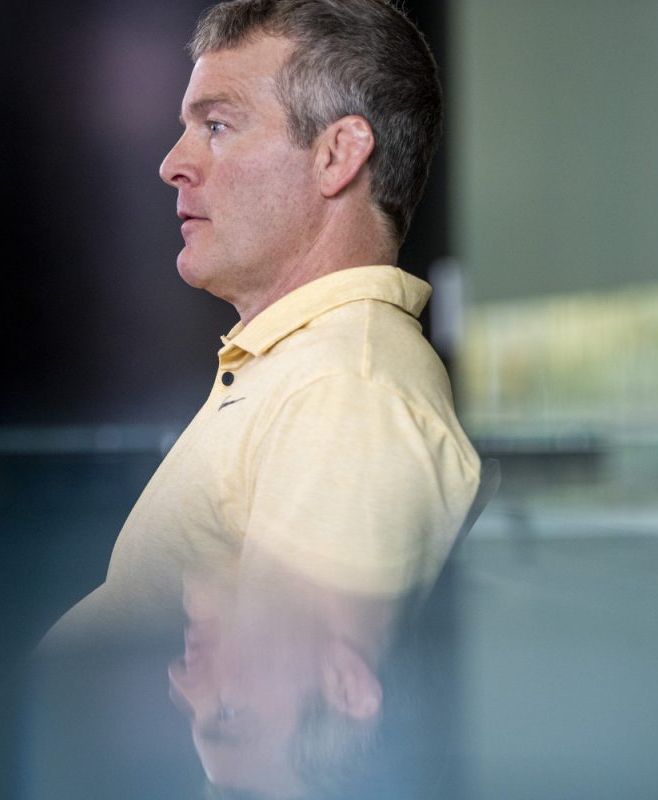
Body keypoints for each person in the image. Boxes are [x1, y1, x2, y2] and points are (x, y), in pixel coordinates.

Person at [40, 4, 478, 788]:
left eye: (216, 125)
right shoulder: (298, 368)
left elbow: (301, 743)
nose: (173, 163)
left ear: (337, 155)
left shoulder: (346, 395)